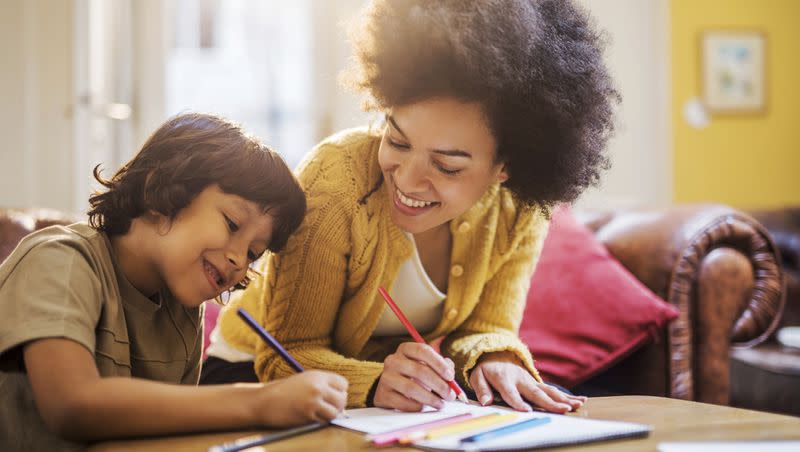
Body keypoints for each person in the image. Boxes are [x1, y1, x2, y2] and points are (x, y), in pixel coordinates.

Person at [204, 0, 618, 413]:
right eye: (397, 141)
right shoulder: (335, 182)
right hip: (253, 376)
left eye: (446, 166)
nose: (405, 179)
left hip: (378, 395)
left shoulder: (516, 209)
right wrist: (375, 381)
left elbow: (485, 327)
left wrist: (495, 358)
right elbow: (286, 355)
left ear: (504, 168)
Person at [0, 113, 348, 451]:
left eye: (254, 253)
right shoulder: (60, 259)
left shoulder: (182, 311)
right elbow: (71, 405)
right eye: (231, 224)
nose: (239, 260)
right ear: (159, 191)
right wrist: (261, 401)